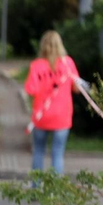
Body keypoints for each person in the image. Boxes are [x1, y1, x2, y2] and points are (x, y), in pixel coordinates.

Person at [24, 30, 83, 174]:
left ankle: (36, 189)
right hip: (62, 116)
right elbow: (77, 88)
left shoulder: (37, 65)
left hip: (41, 115)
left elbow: (30, 90)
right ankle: (55, 192)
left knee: (38, 151)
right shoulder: (68, 63)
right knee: (57, 154)